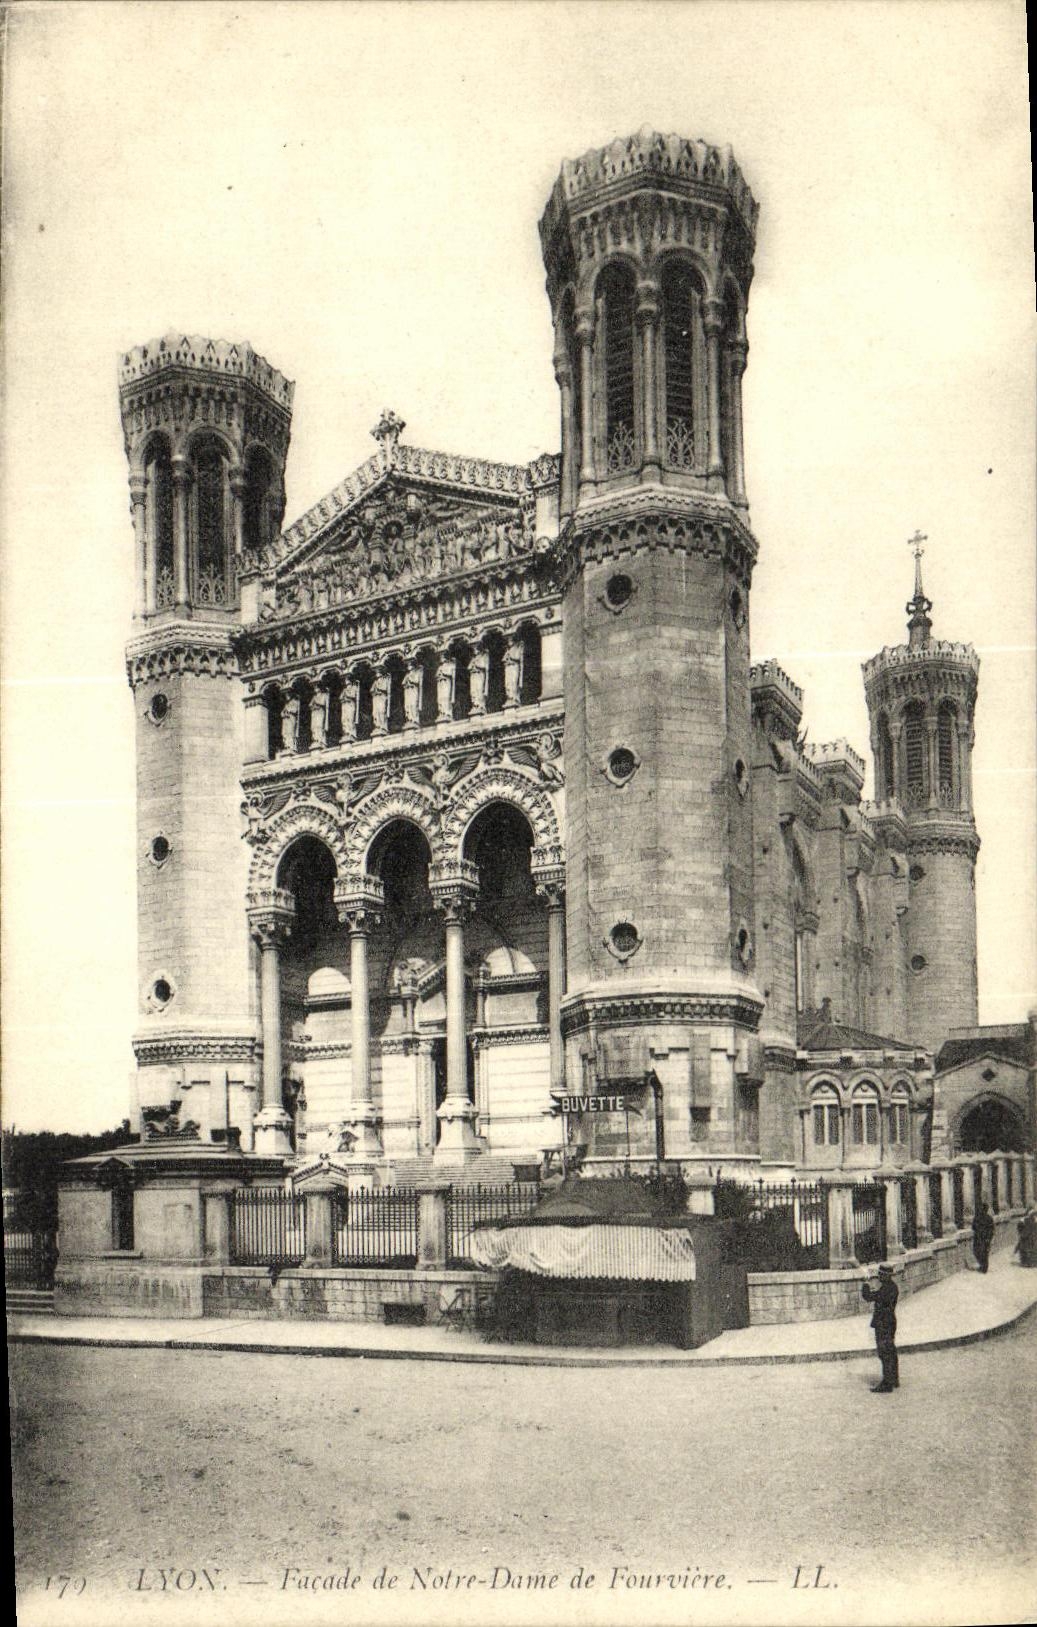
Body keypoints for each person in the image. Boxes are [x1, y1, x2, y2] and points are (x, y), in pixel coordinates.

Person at [862, 1263, 899, 1392]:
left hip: (883, 1323)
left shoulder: (886, 1289)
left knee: (884, 1353)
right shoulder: (892, 1287)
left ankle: (887, 1384)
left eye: (881, 1274)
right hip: (890, 1322)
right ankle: (894, 1379)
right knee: (891, 1350)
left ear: (885, 1276)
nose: (878, 1276)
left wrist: (866, 1284)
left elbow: (869, 1297)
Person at [972, 1199, 995, 1273]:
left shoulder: (977, 1217)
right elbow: (992, 1229)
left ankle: (983, 1266)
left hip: (979, 1238)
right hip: (985, 1238)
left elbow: (973, 1227)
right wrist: (990, 1238)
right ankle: (984, 1267)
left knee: (977, 1252)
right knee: (984, 1253)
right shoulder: (989, 1218)